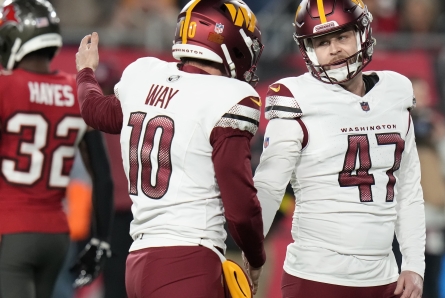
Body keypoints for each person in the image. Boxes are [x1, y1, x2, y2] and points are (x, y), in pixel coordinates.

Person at [74, 0, 267, 297]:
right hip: (188, 258)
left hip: (138, 259)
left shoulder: (145, 75)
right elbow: (240, 207)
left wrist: (86, 72)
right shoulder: (230, 96)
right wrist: (255, 256)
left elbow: (95, 111)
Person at [253, 0, 426, 298]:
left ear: (363, 34)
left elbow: (408, 188)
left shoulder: (395, 92)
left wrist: (413, 263)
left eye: (342, 37)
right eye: (322, 42)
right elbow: (268, 188)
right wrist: (252, 252)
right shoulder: (297, 97)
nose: (334, 49)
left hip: (383, 276)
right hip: (316, 275)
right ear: (308, 49)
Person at [0, 1, 114, 298]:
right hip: (56, 236)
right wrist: (101, 239)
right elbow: (102, 176)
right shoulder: (75, 93)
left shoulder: (6, 88)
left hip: (9, 231)